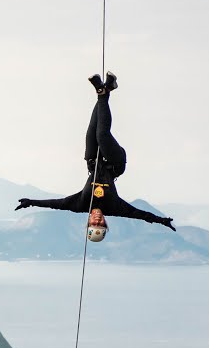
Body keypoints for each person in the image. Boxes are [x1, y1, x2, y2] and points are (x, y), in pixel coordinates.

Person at [14, 72, 176, 241]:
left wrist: (31, 202)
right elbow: (139, 214)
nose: (97, 221)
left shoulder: (79, 205)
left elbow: (56, 204)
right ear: (105, 222)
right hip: (115, 163)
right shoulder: (115, 208)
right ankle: (102, 91)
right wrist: (161, 221)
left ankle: (107, 89)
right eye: (100, 224)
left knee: (91, 131)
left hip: (93, 162)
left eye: (93, 224)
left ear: (89, 221)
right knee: (102, 135)